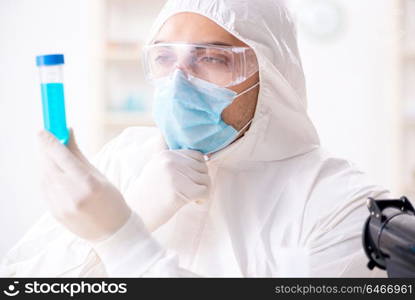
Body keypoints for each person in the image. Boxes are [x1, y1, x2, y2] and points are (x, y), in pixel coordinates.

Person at [0, 0, 389, 277]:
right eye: (165, 58)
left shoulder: (343, 205)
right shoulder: (124, 158)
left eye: (212, 58)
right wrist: (114, 226)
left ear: (272, 75)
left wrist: (123, 236)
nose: (177, 83)